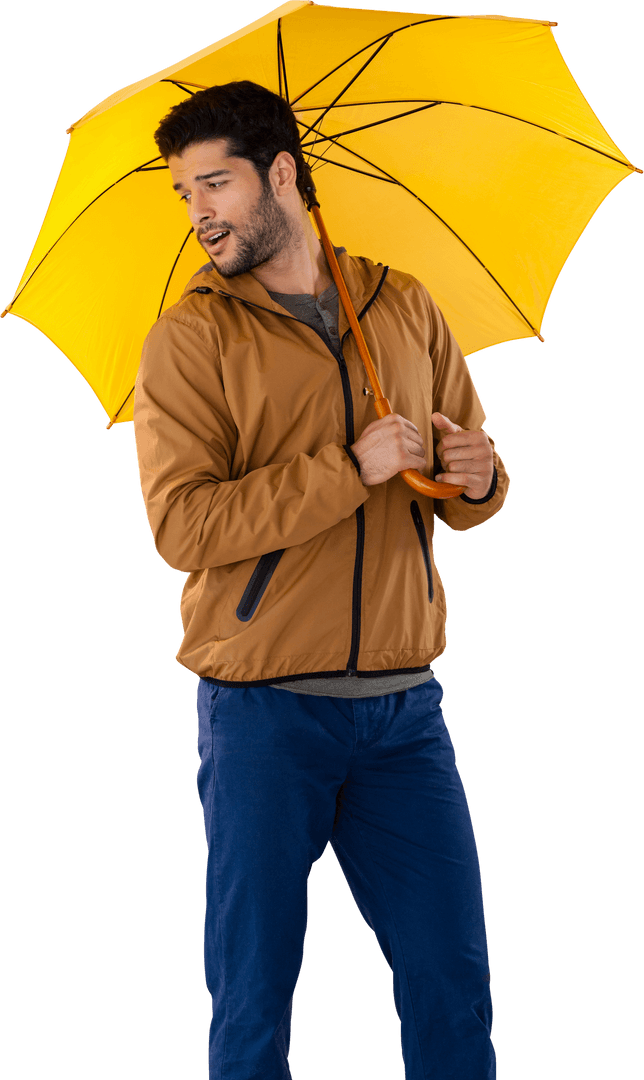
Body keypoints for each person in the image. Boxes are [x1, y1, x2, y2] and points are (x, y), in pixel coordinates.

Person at [133, 80, 510, 1080]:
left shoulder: (402, 304)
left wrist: (477, 477)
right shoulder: (191, 339)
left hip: (404, 717)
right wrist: (349, 470)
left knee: (452, 984)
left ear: (283, 174)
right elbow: (184, 524)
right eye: (184, 193)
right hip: (262, 715)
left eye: (215, 182)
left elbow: (460, 477)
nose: (199, 211)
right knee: (253, 999)